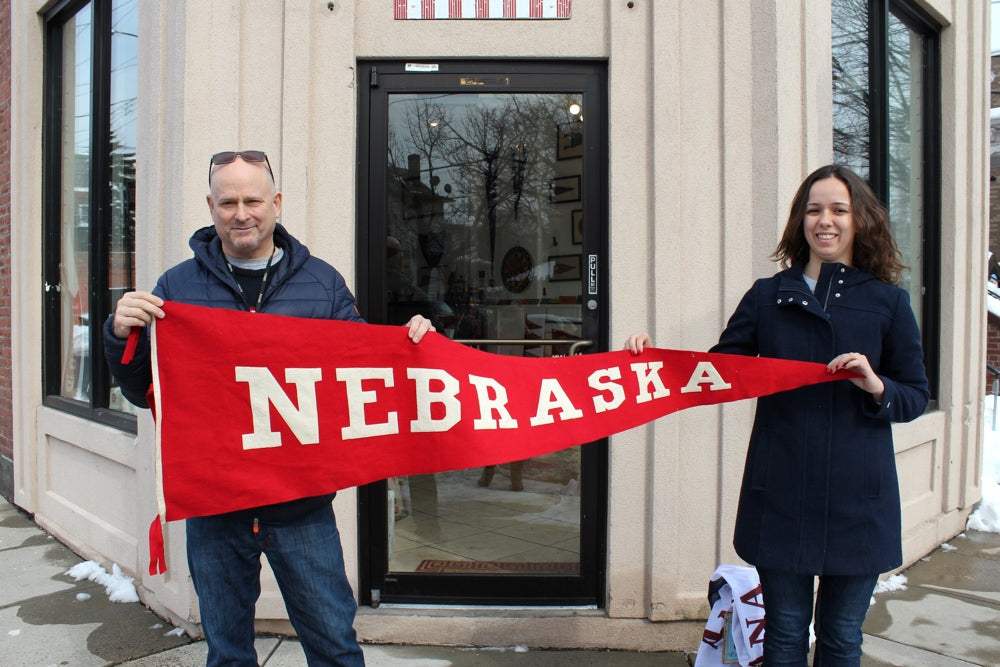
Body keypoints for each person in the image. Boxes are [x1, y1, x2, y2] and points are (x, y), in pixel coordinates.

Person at [104, 150, 435, 667]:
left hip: (300, 506)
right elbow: (143, 389)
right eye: (228, 201)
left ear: (276, 203)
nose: (242, 213)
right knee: (228, 654)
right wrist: (118, 334)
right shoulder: (177, 288)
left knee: (334, 647)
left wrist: (414, 345)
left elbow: (361, 366)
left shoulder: (321, 283)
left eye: (253, 200)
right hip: (216, 510)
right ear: (211, 206)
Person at [625, 164, 929, 666]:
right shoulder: (768, 295)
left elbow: (914, 395)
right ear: (800, 220)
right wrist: (651, 363)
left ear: (860, 220)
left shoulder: (888, 302)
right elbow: (715, 371)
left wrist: (875, 384)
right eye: (814, 209)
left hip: (860, 501)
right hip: (782, 495)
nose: (824, 220)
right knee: (785, 636)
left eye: (838, 209)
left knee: (841, 638)